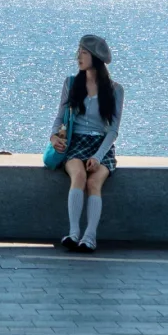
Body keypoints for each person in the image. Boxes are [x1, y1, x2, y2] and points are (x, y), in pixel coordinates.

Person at [48, 34, 123, 252]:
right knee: (78, 175)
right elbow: (60, 116)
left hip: (102, 146)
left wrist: (98, 157)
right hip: (76, 142)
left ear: (96, 58)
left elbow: (113, 130)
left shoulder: (116, 90)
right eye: (79, 51)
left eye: (84, 52)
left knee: (94, 183)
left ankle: (89, 237)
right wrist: (54, 137)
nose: (78, 57)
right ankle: (73, 233)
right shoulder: (71, 83)